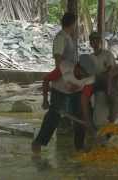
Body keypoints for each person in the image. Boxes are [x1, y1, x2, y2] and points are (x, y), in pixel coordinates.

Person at [32, 13, 86, 154]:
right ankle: (38, 142)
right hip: (62, 84)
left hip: (73, 83)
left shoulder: (69, 38)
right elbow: (58, 60)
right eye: (76, 23)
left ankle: (79, 146)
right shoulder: (61, 38)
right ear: (73, 23)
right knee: (54, 116)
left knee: (79, 114)